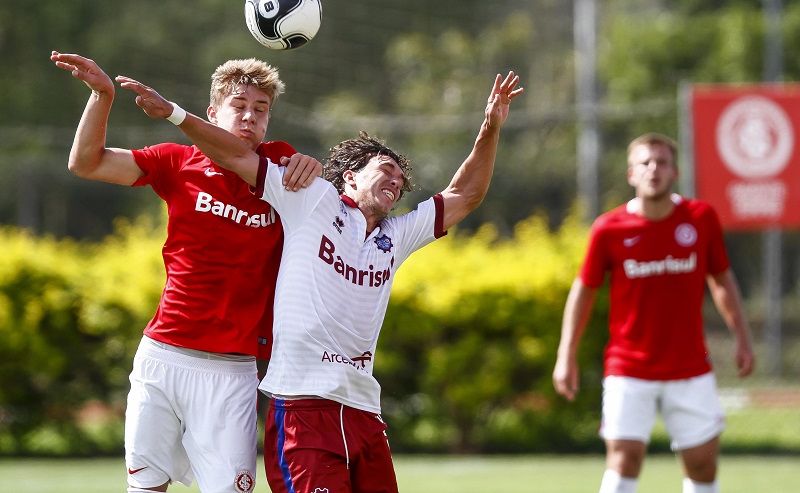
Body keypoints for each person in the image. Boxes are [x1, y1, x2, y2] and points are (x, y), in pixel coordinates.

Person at [114, 69, 523, 493]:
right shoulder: (311, 200)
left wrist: (490, 128)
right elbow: (235, 156)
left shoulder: (395, 236)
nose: (396, 180)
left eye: (401, 179)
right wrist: (176, 115)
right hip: (301, 405)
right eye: (385, 169)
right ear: (349, 177)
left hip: (363, 410)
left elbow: (465, 196)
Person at [51, 51, 322, 493]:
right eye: (239, 106)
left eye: (261, 109)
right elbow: (87, 163)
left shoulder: (279, 166)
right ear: (213, 111)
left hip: (232, 372)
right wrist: (102, 96)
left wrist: (307, 164)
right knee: (146, 488)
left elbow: (246, 159)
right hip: (163, 357)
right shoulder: (177, 162)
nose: (250, 117)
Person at [552, 133, 756, 493]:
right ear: (631, 174)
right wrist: (565, 354)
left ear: (674, 171)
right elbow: (583, 292)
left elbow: (722, 281)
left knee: (702, 464)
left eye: (661, 162)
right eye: (645, 163)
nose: (653, 169)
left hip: (690, 366)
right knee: (624, 458)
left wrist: (743, 337)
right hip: (629, 367)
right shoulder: (608, 228)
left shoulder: (701, 218)